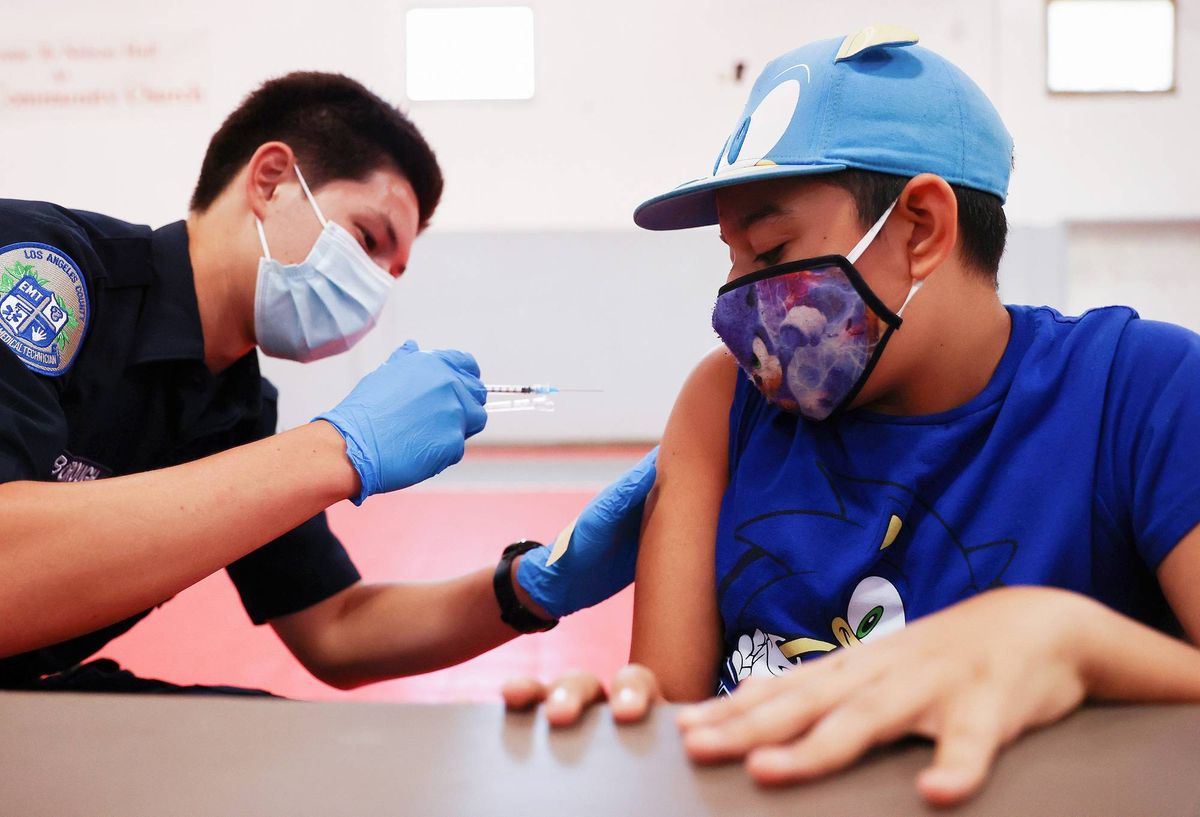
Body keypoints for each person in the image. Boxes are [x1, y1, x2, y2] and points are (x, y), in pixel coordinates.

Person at [502, 27, 1200, 806]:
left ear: (924, 227)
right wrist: (622, 728)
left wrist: (1071, 643)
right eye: (731, 258)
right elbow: (671, 715)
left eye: (768, 253)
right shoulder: (721, 405)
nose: (738, 300)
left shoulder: (1143, 390)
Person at [0, 71, 652, 694]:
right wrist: (337, 449)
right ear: (271, 178)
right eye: (367, 239)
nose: (369, 291)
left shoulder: (233, 413)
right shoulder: (45, 270)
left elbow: (338, 629)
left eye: (390, 275)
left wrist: (530, 586)